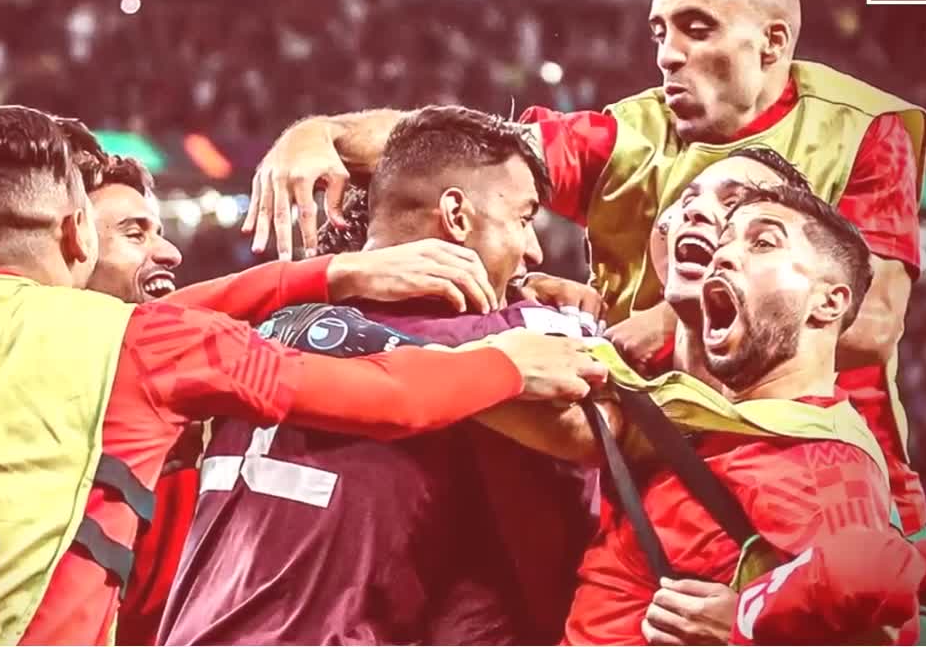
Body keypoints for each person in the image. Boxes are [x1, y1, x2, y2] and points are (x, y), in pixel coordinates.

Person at [0, 105, 607, 645]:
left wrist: (327, 276)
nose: (162, 252)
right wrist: (506, 360)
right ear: (77, 237)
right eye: (130, 232)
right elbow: (389, 396)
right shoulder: (133, 347)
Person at [242, 0, 926, 549]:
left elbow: (871, 323)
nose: (670, 54)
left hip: (817, 476)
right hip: (653, 470)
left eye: (698, 29)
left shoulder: (862, 130)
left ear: (773, 44)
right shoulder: (626, 135)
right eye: (661, 31)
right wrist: (321, 133)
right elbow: (474, 156)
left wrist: (671, 313)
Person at [160, 107, 600, 645]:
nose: (532, 251)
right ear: (456, 216)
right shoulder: (495, 334)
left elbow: (134, 326)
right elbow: (605, 430)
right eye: (525, 219)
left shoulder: (257, 328)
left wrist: (322, 136)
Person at [634, 149, 926, 646]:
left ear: (828, 301)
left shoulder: (821, 460)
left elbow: (877, 611)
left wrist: (747, 623)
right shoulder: (698, 416)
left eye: (761, 242)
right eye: (727, 237)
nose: (723, 251)